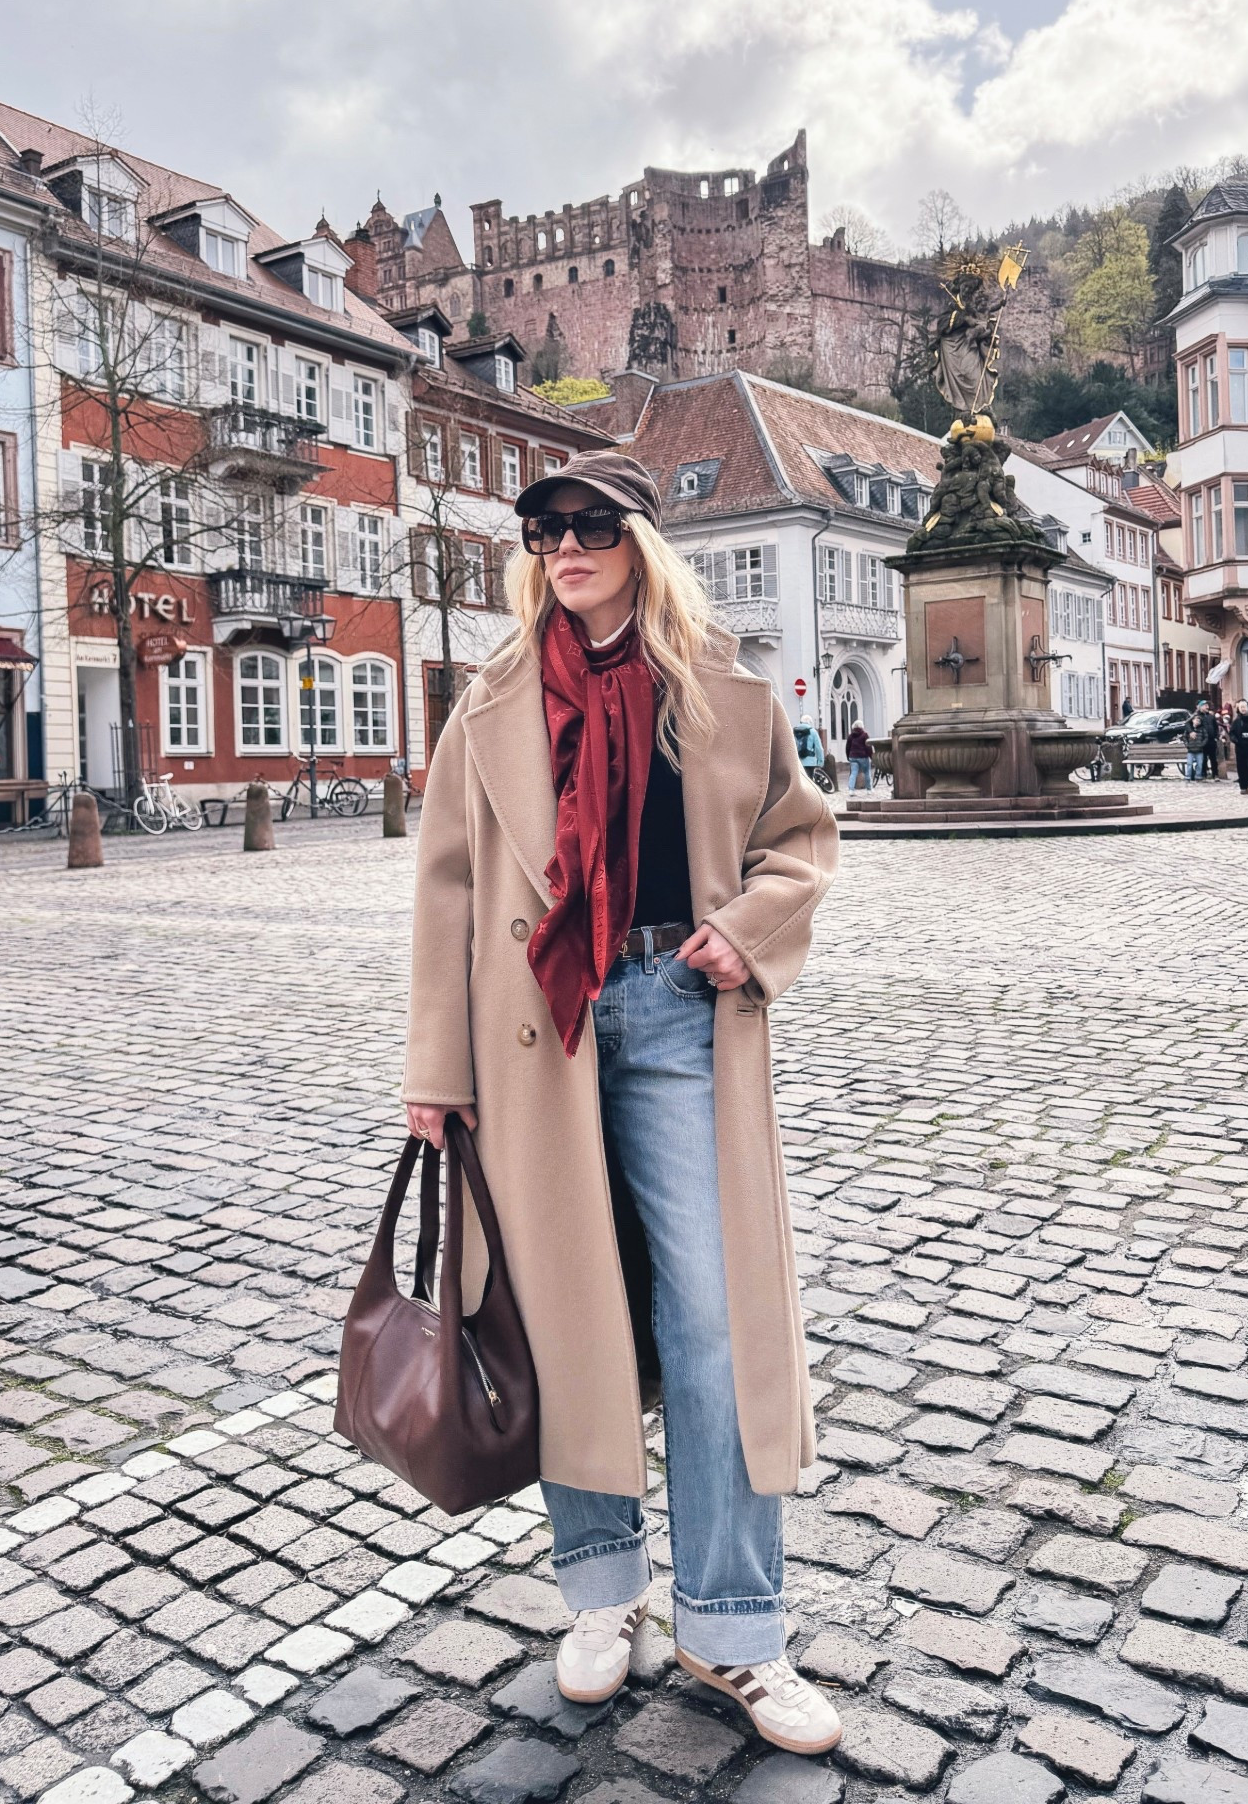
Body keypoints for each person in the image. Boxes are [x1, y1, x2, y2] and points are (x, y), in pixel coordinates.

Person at [402, 454, 842, 1755]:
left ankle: (733, 1629)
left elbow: (800, 840)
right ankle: (600, 1599)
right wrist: (436, 1074)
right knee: (568, 1326)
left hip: (673, 1016)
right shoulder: (487, 704)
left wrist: (747, 929)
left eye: (591, 527)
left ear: (641, 540)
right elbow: (445, 899)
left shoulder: (722, 689)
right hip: (537, 1036)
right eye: (544, 530)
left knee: (711, 1323)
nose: (566, 548)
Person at [845, 721, 873, 792]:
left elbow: (847, 747)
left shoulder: (850, 736)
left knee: (853, 773)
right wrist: (871, 756)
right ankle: (869, 789)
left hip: (853, 757)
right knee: (867, 772)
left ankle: (851, 790)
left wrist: (848, 756)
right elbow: (868, 746)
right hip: (863, 756)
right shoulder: (865, 735)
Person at [1182, 708, 1208, 782]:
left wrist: (1202, 744)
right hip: (1191, 750)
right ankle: (1188, 777)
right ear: (1193, 720)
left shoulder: (1202, 729)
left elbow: (1206, 737)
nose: (1197, 722)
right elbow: (1184, 737)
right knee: (1189, 764)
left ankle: (1198, 776)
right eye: (1196, 720)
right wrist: (1187, 745)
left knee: (1199, 764)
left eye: (1199, 721)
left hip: (1199, 750)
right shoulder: (1189, 730)